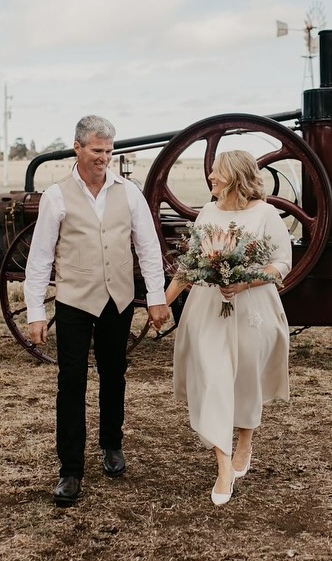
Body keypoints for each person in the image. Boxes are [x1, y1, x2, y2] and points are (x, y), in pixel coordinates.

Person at [24, 115, 170, 506]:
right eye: (96, 150)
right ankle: (70, 470)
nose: (104, 157)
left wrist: (156, 295)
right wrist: (35, 309)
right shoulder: (57, 195)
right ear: (77, 148)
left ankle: (111, 444)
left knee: (113, 374)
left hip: (118, 299)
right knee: (71, 382)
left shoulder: (129, 192)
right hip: (74, 300)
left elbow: (148, 247)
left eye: (108, 150)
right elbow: (39, 258)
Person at [164, 149, 292, 506]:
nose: (211, 178)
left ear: (235, 176)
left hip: (253, 309)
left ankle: (245, 442)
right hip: (208, 310)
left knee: (246, 378)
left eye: (217, 172)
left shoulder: (266, 214)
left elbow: (282, 263)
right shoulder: (208, 212)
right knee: (214, 379)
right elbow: (190, 263)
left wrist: (245, 280)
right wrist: (162, 300)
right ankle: (222, 464)